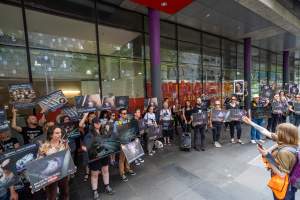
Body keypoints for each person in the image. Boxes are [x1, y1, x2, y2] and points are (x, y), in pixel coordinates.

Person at [243, 117, 298, 200]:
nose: (276, 133)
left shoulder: (284, 152)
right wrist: (251, 123)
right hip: (291, 184)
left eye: (278, 132)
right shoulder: (289, 142)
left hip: (285, 186)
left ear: (284, 135)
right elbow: (265, 131)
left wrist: (267, 156)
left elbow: (282, 174)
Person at [82, 118, 114, 200]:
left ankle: (107, 186)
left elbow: (109, 140)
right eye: (96, 123)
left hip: (104, 155)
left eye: (99, 122)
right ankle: (95, 191)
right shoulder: (89, 134)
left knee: (105, 170)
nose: (98, 124)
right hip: (95, 157)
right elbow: (86, 147)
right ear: (93, 124)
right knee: (94, 174)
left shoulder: (103, 131)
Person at [38, 126, 69, 200]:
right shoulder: (44, 146)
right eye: (57, 133)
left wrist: (71, 166)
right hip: (50, 174)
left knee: (65, 192)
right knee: (52, 196)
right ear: (51, 135)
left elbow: (68, 155)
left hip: (63, 172)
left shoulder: (64, 143)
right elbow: (39, 161)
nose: (60, 134)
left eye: (60, 132)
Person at [113, 108, 136, 182]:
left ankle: (128, 169)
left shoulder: (128, 120)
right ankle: (122, 173)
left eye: (126, 113)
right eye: (124, 113)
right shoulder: (117, 123)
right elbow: (115, 134)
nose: (125, 114)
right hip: (122, 143)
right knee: (122, 159)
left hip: (129, 141)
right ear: (120, 114)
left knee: (128, 156)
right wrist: (120, 143)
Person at [79, 112, 97, 182]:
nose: (92, 118)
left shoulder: (96, 124)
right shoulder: (86, 125)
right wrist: (85, 115)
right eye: (91, 116)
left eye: (94, 116)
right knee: (87, 159)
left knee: (95, 158)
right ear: (88, 118)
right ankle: (87, 172)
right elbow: (80, 125)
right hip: (87, 144)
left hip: (94, 144)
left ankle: (96, 171)